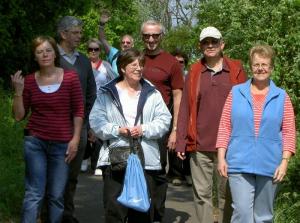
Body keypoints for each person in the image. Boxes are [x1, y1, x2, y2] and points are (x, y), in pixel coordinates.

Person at [89, 48, 172, 223]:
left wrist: (144, 129)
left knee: (141, 212)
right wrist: (117, 129)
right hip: (115, 158)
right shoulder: (107, 92)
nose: (138, 68)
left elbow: (165, 120)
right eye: (133, 64)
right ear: (122, 68)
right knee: (114, 211)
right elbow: (96, 121)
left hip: (146, 159)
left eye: (141, 64)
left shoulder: (152, 93)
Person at [216, 44, 296, 223]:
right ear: (251, 67)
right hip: (238, 163)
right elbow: (224, 127)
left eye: (265, 64)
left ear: (272, 67)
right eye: (256, 64)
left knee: (263, 216)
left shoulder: (282, 97)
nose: (260, 68)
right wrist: (221, 158)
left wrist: (284, 163)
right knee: (242, 212)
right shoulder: (236, 92)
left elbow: (289, 132)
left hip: (270, 165)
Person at [176, 26, 247, 223]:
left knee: (229, 195)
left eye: (214, 41)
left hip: (231, 145)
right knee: (202, 196)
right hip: (199, 144)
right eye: (205, 42)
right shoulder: (195, 72)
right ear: (200, 46)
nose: (210, 45)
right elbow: (185, 108)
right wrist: (181, 140)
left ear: (222, 44)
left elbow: (248, 106)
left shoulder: (236, 70)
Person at [11, 36, 84, 223]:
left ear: (55, 53)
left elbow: (78, 110)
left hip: (62, 144)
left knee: (56, 195)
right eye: (39, 52)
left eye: (48, 50)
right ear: (35, 57)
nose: (44, 55)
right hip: (35, 142)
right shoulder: (28, 80)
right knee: (34, 193)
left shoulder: (70, 77)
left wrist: (75, 140)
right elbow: (18, 116)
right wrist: (18, 92)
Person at [141, 20, 184, 221]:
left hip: (160, 127)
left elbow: (178, 96)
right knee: (134, 169)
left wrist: (175, 129)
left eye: (155, 35)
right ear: (142, 36)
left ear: (161, 36)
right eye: (147, 35)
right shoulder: (135, 58)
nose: (151, 39)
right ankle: (138, 213)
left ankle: (156, 215)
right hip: (134, 124)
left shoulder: (171, 62)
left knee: (157, 171)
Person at [56, 16, 97, 223]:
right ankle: (50, 214)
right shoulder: (50, 56)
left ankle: (67, 215)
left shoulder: (83, 61)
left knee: (72, 175)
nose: (80, 37)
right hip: (54, 126)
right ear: (63, 34)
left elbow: (91, 92)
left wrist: (88, 123)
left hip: (78, 127)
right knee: (54, 175)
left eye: (80, 33)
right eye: (75, 33)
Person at [80, 38, 115, 175]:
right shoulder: (83, 64)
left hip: (101, 103)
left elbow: (114, 82)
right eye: (90, 49)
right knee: (85, 131)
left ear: (100, 51)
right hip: (85, 103)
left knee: (99, 133)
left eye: (96, 49)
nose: (93, 52)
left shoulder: (105, 65)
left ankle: (97, 164)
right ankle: (84, 158)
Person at [98, 12, 134, 76]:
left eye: (128, 42)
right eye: (123, 42)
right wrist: (101, 25)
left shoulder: (136, 58)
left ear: (132, 45)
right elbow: (102, 40)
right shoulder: (114, 54)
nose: (125, 44)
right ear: (120, 45)